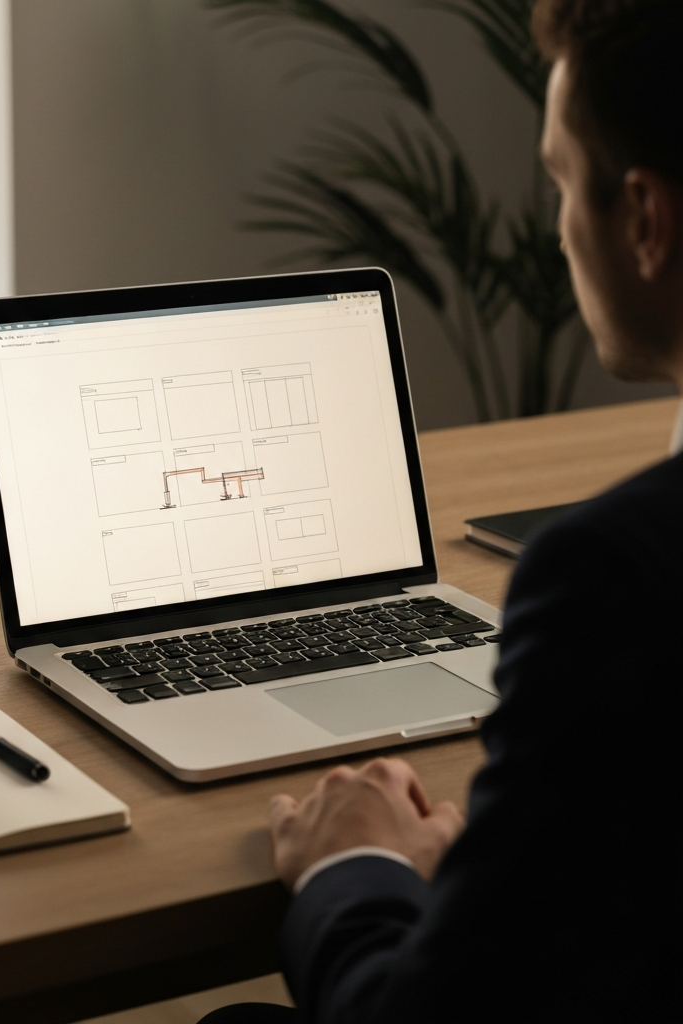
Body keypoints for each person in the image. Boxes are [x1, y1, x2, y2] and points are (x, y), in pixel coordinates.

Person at [201, 1, 682, 1021]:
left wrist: (356, 863)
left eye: (557, 179)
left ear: (644, 219)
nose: (555, 228)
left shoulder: (611, 575)